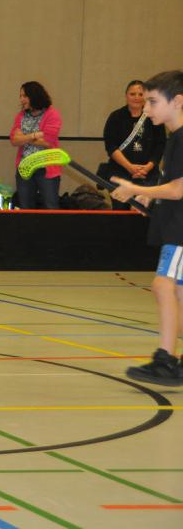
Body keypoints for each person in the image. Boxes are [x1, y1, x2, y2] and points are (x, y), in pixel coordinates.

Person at [110, 69, 183, 387]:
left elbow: (179, 189)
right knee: (177, 290)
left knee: (163, 285)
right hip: (175, 224)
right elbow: (172, 183)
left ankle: (165, 360)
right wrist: (150, 195)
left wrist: (138, 189)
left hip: (180, 230)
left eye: (152, 101)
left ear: (177, 101)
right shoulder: (174, 138)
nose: (146, 108)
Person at [101, 79, 165, 210]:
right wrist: (129, 167)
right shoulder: (116, 117)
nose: (137, 97)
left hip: (147, 174)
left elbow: (160, 144)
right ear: (126, 96)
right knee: (120, 211)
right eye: (132, 94)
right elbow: (111, 146)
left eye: (140, 94)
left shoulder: (154, 116)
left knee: (146, 211)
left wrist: (147, 167)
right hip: (120, 172)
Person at [10, 81, 62, 209]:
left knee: (50, 206)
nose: (21, 99)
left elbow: (47, 141)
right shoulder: (21, 116)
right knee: (25, 207)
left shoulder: (52, 114)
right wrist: (34, 135)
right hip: (25, 168)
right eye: (20, 96)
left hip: (46, 168)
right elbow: (14, 140)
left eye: (24, 96)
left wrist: (23, 137)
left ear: (34, 96)